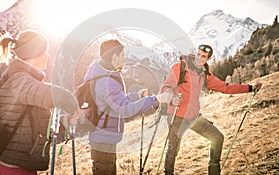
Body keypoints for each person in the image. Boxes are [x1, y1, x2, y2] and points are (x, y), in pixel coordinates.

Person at [160, 44, 263, 175]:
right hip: (177, 116)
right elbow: (167, 86)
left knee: (217, 137)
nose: (199, 58)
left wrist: (250, 88)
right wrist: (172, 99)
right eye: (198, 54)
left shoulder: (205, 75)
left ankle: (214, 172)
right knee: (173, 149)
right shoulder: (180, 67)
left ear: (207, 59)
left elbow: (225, 87)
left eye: (203, 56)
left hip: (194, 117)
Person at [0, 30, 78, 175]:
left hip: (23, 165)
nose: (48, 55)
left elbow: (37, 127)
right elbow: (48, 94)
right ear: (34, 53)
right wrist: (70, 101)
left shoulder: (24, 79)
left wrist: (64, 122)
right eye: (45, 51)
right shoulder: (19, 80)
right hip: (14, 169)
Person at [83, 39, 173, 175]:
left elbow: (117, 102)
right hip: (103, 141)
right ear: (114, 57)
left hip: (103, 139)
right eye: (123, 55)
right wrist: (156, 100)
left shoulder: (102, 74)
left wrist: (137, 95)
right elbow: (124, 109)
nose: (124, 59)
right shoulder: (107, 81)